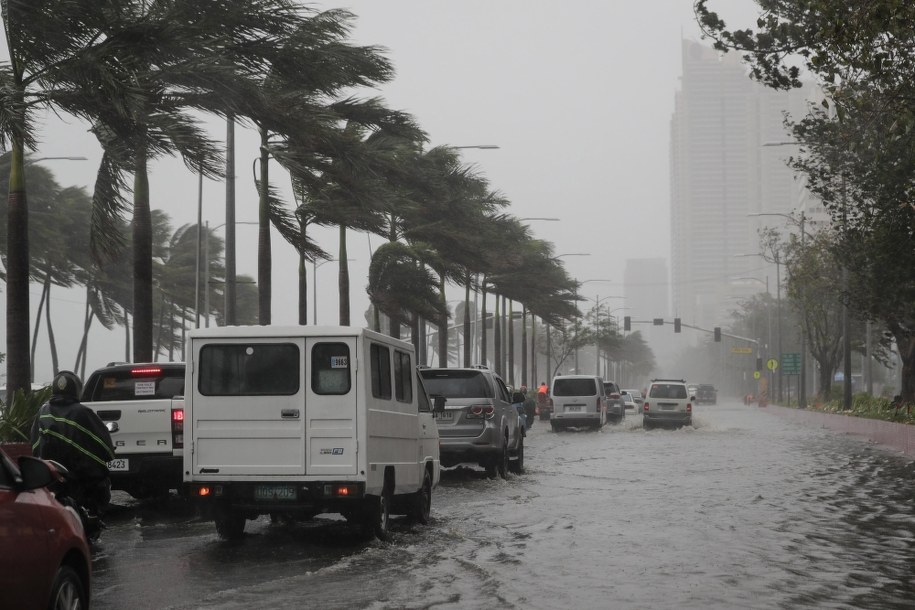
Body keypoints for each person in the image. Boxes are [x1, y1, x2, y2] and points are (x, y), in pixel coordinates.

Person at [31, 370, 116, 520]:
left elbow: (34, 442)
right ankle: (93, 516)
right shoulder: (82, 412)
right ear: (76, 389)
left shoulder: (43, 411)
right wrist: (108, 456)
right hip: (80, 476)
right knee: (101, 484)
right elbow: (104, 444)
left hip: (51, 475)